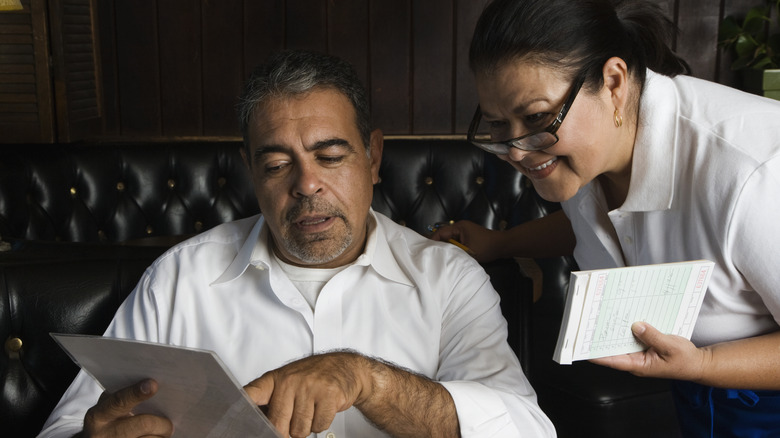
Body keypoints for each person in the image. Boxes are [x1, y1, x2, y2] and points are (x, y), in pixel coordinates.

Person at [37, 50, 555, 438]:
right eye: (278, 164)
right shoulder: (179, 279)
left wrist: (366, 379)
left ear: (373, 158)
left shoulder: (449, 279)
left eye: (330, 156)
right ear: (251, 172)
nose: (306, 184)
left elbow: (527, 428)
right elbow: (66, 427)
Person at [430, 0, 780, 435]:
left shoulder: (755, 172)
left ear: (613, 81)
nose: (517, 152)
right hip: (699, 398)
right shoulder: (592, 150)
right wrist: (502, 244)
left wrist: (704, 363)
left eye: (537, 117)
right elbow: (607, 225)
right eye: (499, 125)